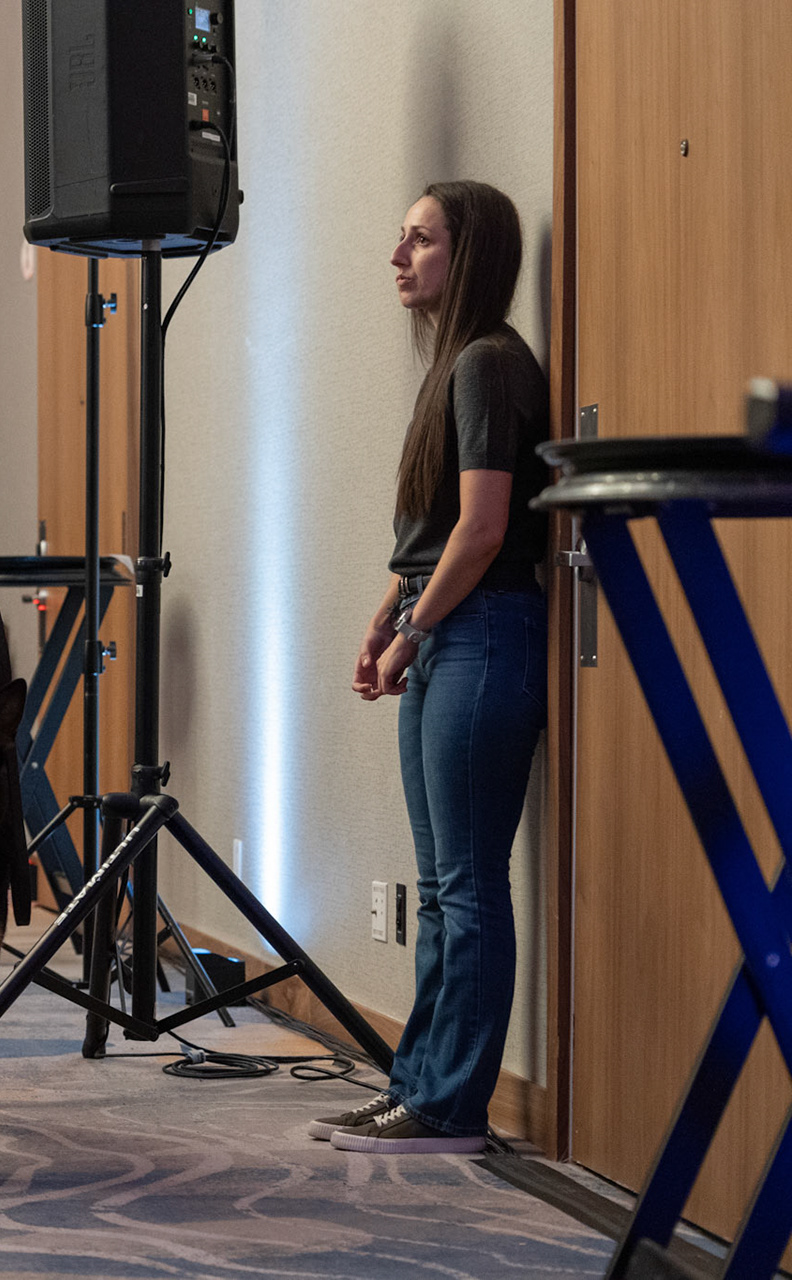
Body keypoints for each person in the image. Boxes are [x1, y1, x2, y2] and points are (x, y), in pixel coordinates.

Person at [319, 181, 549, 1155]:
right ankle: (418, 1080)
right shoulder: (456, 366)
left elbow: (486, 528)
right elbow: (430, 533)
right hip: (450, 627)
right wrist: (388, 617)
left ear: (470, 254)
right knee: (442, 879)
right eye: (401, 237)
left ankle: (452, 1097)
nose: (398, 254)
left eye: (420, 239)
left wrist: (412, 627)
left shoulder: (491, 365)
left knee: (466, 881)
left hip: (485, 630)